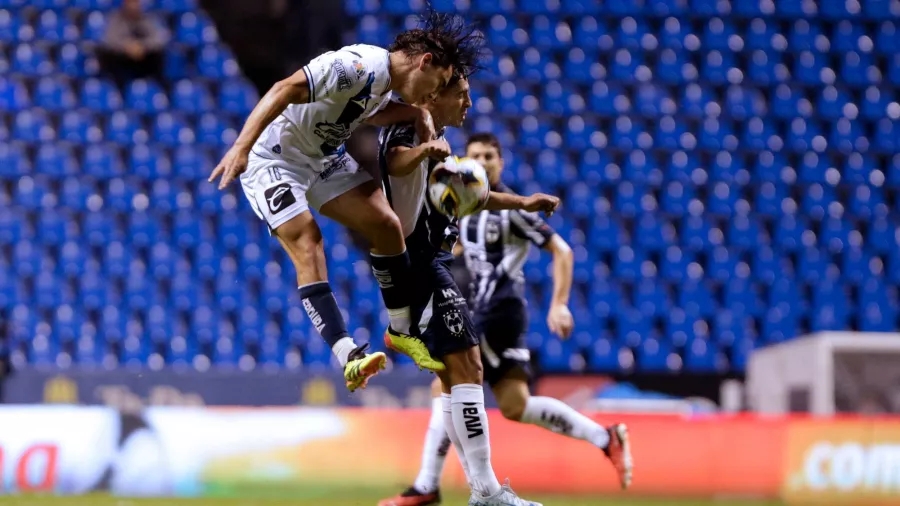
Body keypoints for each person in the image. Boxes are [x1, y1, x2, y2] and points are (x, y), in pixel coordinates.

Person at [208, 12, 484, 391]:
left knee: (387, 227)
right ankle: (348, 354)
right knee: (308, 241)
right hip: (275, 159)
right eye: (438, 83)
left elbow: (373, 112)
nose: (435, 94)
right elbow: (284, 88)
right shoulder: (354, 67)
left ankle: (401, 329)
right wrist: (241, 147)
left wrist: (417, 112)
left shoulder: (384, 83)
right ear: (424, 63)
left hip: (323, 157)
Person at [378, 133, 633, 506]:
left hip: (498, 309)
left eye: (489, 157)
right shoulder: (466, 208)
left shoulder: (512, 210)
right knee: (516, 405)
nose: (482, 162)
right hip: (489, 310)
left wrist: (559, 303)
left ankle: (428, 485)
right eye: (475, 156)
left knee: (445, 382)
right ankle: (605, 437)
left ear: (501, 163)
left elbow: (561, 250)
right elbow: (464, 252)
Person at [377, 75, 561, 505]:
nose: (468, 101)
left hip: (427, 266)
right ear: (433, 95)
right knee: (468, 370)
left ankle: (473, 490)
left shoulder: (435, 139)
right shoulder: (413, 133)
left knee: (454, 375)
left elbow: (473, 196)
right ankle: (485, 493)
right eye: (460, 93)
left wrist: (524, 201)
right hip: (420, 267)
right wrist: (425, 150)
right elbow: (394, 162)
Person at [99, 0, 169, 88]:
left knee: (159, 54)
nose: (133, 6)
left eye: (135, 3)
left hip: (144, 58)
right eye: (130, 3)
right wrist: (126, 46)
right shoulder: (115, 19)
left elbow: (160, 39)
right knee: (105, 53)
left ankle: (156, 89)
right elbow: (108, 39)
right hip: (122, 59)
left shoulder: (148, 18)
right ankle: (114, 89)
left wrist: (142, 46)